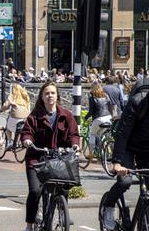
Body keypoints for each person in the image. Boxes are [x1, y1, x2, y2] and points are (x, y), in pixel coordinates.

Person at [102, 77, 149, 230]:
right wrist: (117, 162)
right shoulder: (137, 102)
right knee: (125, 182)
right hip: (128, 147)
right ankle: (108, 207)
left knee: (148, 194)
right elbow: (122, 133)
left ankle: (145, 226)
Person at [19, 81, 80, 231]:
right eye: (46, 93)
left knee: (63, 186)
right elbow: (27, 132)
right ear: (42, 96)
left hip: (59, 158)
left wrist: (75, 144)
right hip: (37, 158)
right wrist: (27, 140)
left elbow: (73, 134)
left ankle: (62, 210)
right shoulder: (35, 115)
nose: (50, 96)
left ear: (57, 95)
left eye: (52, 93)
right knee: (36, 191)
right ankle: (29, 223)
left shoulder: (66, 115)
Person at [85, 83, 112, 156]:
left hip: (99, 118)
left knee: (92, 134)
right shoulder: (106, 95)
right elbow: (110, 106)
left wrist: (85, 118)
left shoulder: (92, 97)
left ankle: (91, 154)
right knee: (99, 134)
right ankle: (104, 152)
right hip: (108, 118)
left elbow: (91, 111)